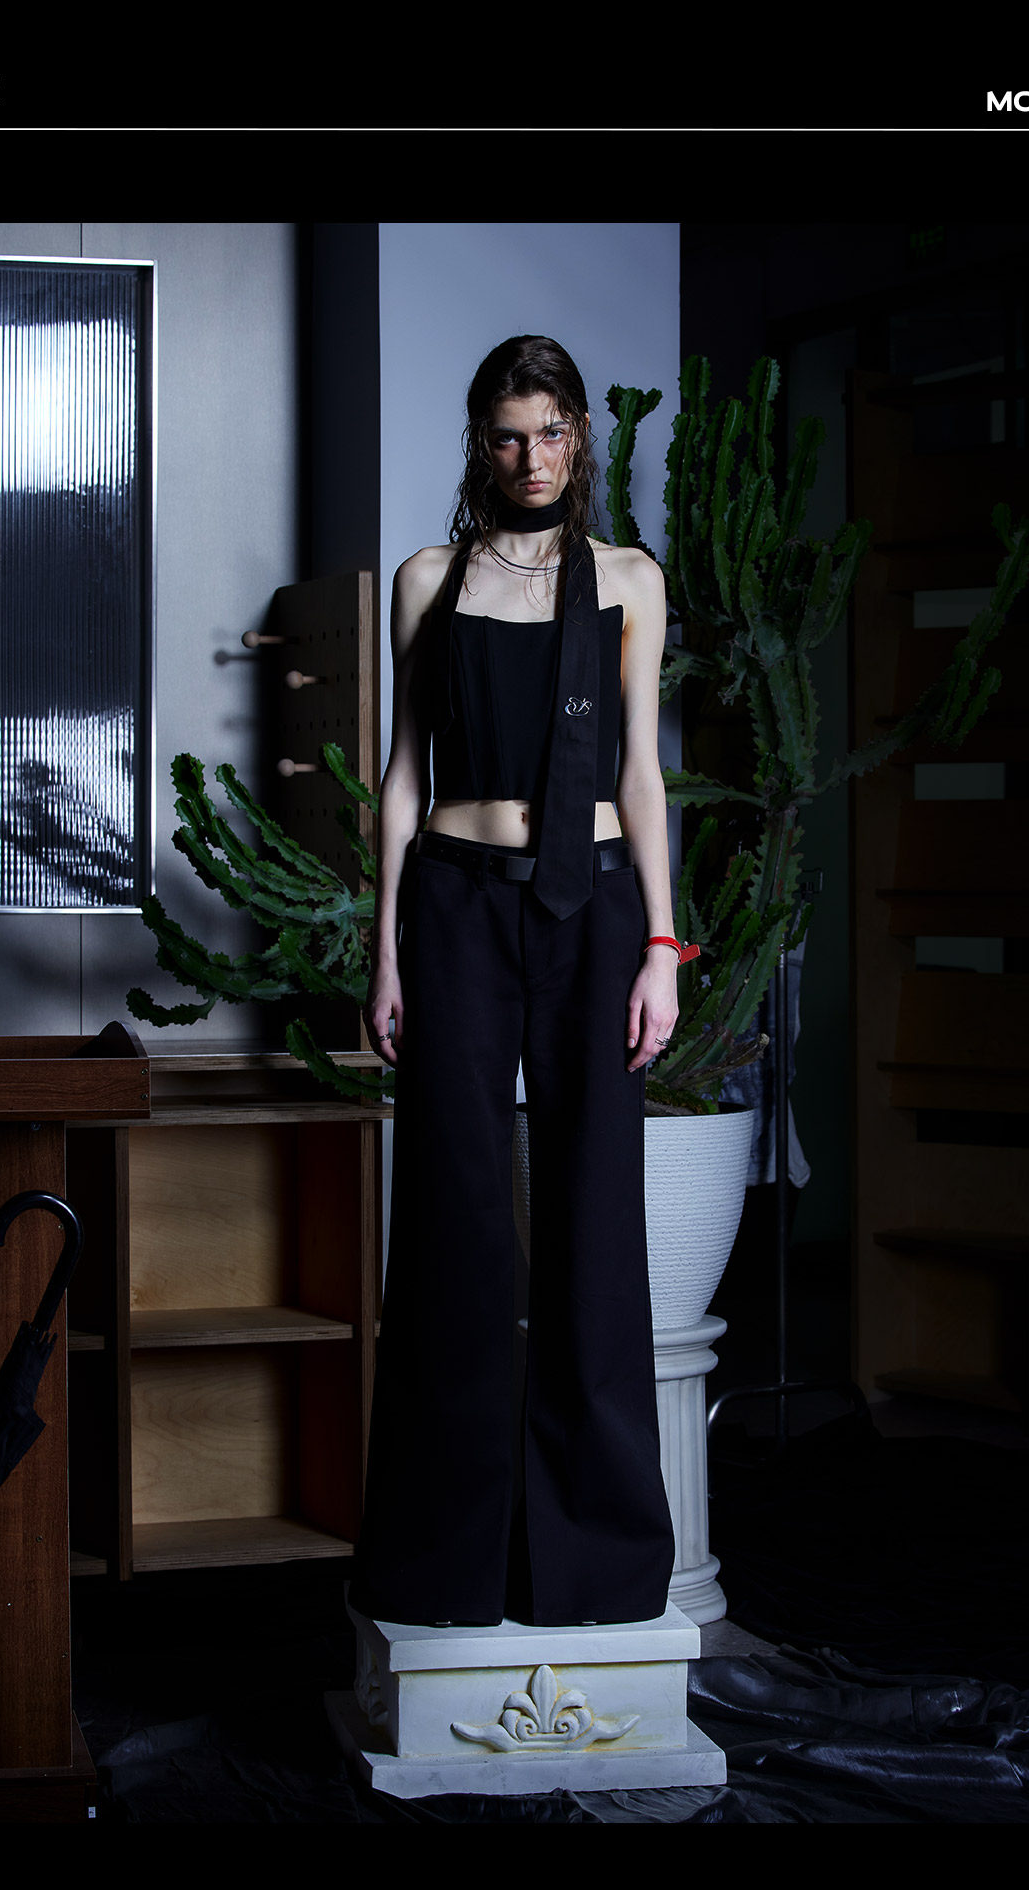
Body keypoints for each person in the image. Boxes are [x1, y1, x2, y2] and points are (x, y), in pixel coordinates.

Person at [346, 335, 691, 1630]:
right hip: (454, 906)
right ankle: (442, 1567)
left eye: (552, 432)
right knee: (454, 1221)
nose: (531, 457)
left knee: (596, 1220)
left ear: (580, 435)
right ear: (479, 441)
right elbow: (403, 774)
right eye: (508, 434)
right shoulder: (428, 579)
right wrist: (387, 947)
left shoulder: (631, 579)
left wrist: (661, 948)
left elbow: (641, 775)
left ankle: (594, 1570)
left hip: (593, 911)